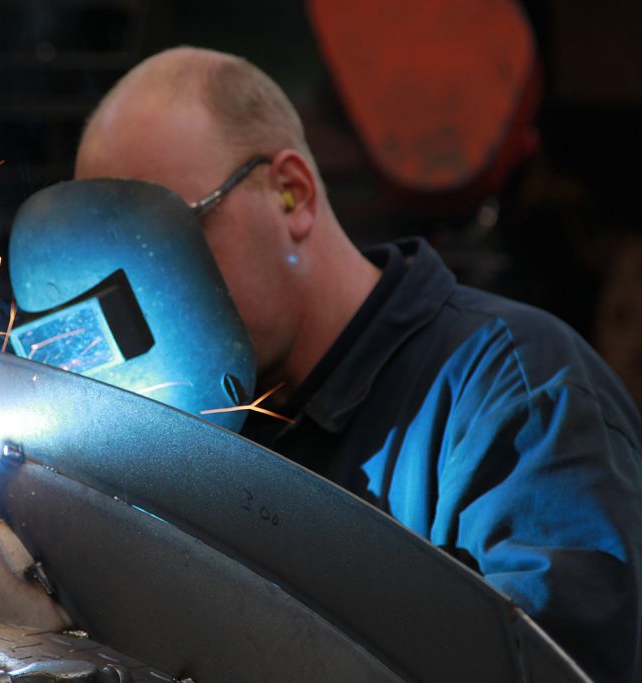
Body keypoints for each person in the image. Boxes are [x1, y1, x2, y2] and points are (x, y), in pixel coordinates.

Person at [74, 46, 642, 682]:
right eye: (119, 262)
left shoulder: (520, 393)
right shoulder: (186, 429)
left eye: (168, 237)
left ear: (293, 195)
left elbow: (545, 665)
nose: (148, 293)